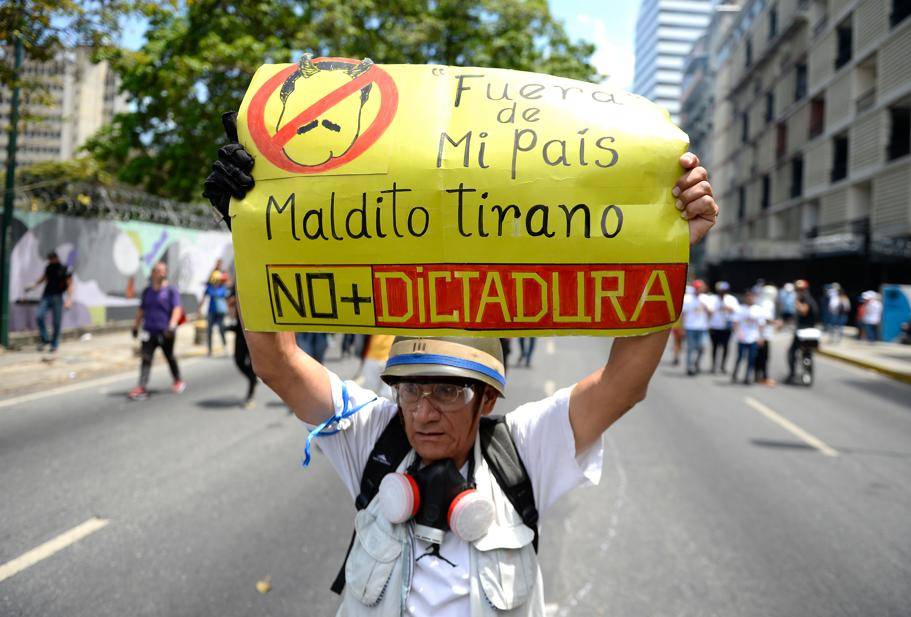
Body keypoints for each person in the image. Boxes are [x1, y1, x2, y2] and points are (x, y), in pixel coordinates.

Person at [203, 119, 719, 615]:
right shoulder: (370, 435)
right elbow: (278, 364)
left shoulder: (525, 450)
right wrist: (252, 230)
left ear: (488, 399)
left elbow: (623, 385)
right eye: (411, 390)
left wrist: (666, 247)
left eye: (449, 393)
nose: (423, 412)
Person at [128, 262, 186, 400]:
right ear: (153, 273)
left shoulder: (171, 290)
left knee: (169, 356)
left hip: (166, 331)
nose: (162, 273)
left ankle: (178, 380)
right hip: (149, 331)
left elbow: (177, 309)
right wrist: (135, 326)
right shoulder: (147, 291)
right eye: (159, 271)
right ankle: (141, 386)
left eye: (164, 271)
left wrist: (172, 325)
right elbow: (141, 310)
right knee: (146, 358)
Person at [26, 251, 72, 353]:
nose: (51, 261)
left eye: (52, 259)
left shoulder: (64, 269)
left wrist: (69, 300)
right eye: (49, 259)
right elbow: (43, 278)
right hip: (46, 296)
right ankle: (45, 339)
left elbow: (69, 284)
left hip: (58, 297)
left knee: (56, 322)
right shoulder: (49, 268)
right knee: (39, 315)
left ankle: (54, 344)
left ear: (56, 258)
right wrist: (33, 285)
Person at [227, 284, 257, 408]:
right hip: (240, 330)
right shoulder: (237, 282)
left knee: (252, 364)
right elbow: (230, 303)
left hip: (255, 330)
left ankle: (250, 395)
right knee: (238, 360)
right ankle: (253, 379)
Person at [785, 279, 819, 385]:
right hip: (810, 331)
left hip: (804, 332)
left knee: (791, 353)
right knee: (807, 352)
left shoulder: (804, 299)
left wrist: (797, 304)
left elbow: (804, 311)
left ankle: (792, 374)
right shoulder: (810, 299)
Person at [730, 290, 766, 385]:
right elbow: (735, 323)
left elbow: (761, 325)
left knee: (751, 358)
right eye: (748, 296)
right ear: (746, 297)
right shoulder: (740, 309)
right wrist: (738, 332)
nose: (750, 298)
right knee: (740, 357)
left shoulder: (758, 309)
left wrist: (761, 337)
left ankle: (747, 376)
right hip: (742, 337)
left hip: (753, 337)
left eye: (752, 297)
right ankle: (735, 373)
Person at [680, 279, 712, 376]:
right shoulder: (687, 298)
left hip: (702, 328)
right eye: (696, 288)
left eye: (700, 288)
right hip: (690, 327)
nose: (698, 290)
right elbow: (683, 314)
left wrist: (706, 307)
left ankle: (697, 363)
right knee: (690, 348)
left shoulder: (706, 298)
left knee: (702, 347)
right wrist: (682, 328)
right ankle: (689, 367)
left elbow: (711, 313)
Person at [707, 281, 738, 374]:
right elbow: (709, 310)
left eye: (724, 290)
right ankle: (713, 365)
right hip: (715, 326)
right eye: (721, 290)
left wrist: (728, 308)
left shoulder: (731, 299)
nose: (722, 292)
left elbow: (736, 311)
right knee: (714, 347)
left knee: (725, 347)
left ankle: (723, 366)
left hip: (726, 327)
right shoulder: (712, 298)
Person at [203, 272, 230, 356]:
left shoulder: (223, 288)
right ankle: (209, 350)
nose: (219, 282)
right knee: (209, 331)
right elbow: (204, 297)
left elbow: (222, 295)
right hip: (211, 312)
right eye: (217, 280)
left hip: (220, 313)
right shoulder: (209, 288)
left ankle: (225, 347)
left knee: (221, 329)